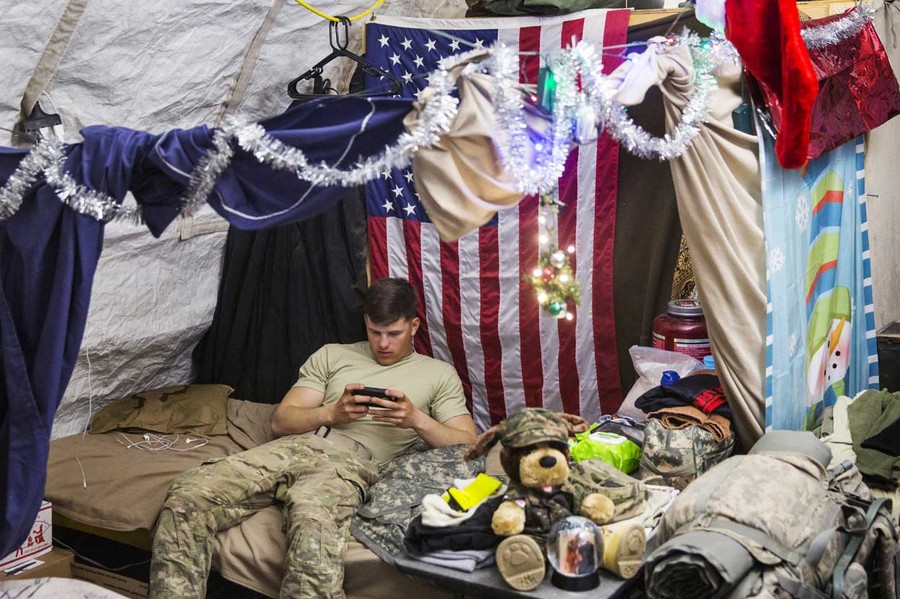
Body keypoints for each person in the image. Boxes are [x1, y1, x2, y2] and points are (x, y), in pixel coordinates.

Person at [148, 278, 476, 599]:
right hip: (297, 445)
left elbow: (467, 443)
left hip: (350, 463)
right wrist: (332, 413)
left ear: (414, 326)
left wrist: (415, 419)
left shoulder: (437, 374)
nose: (383, 344)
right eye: (375, 332)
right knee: (188, 495)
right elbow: (281, 421)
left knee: (311, 522)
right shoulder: (333, 355)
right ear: (365, 322)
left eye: (393, 333)